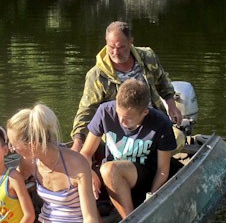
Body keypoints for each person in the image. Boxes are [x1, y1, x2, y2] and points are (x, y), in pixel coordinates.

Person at [0, 104, 99, 223]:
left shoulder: (77, 164)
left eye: (13, 145)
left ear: (32, 144)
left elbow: (91, 219)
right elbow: (7, 188)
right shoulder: (29, 162)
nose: (12, 149)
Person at [70, 20, 184, 152]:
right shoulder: (96, 75)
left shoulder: (148, 57)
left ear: (131, 42)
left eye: (121, 47)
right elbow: (86, 110)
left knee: (178, 140)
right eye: (111, 47)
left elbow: (162, 81)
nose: (115, 52)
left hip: (154, 123)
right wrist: (78, 141)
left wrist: (171, 104)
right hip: (120, 132)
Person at [80, 79, 177, 219]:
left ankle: (130, 220)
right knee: (75, 171)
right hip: (110, 178)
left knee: (110, 170)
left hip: (142, 176)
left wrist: (152, 198)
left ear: (144, 112)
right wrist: (88, 171)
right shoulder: (105, 111)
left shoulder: (161, 123)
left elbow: (163, 170)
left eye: (129, 118)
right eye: (119, 115)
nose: (122, 122)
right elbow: (86, 153)